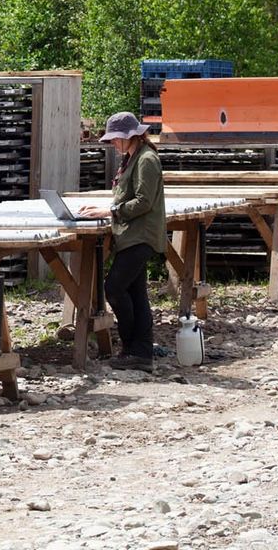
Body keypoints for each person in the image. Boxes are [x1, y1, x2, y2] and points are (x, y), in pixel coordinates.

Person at [77, 112, 166, 372]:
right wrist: (105, 208)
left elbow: (143, 202)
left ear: (131, 136)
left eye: (116, 138)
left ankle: (132, 349)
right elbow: (127, 195)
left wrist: (109, 211)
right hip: (132, 234)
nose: (113, 143)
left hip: (141, 235)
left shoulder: (146, 160)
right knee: (136, 293)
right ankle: (140, 352)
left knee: (114, 288)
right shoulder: (132, 157)